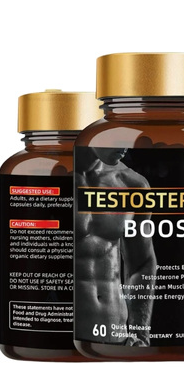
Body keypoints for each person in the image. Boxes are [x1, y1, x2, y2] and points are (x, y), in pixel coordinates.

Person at [74, 147, 157, 346]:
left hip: (116, 337)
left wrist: (140, 335)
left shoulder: (131, 184)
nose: (125, 144)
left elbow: (142, 263)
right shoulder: (44, 179)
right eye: (115, 135)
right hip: (59, 337)